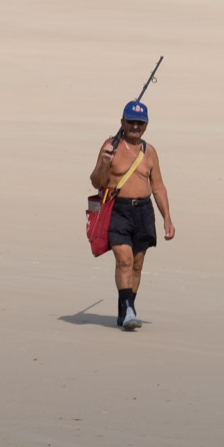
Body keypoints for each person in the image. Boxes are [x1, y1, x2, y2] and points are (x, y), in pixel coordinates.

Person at [90, 100, 174, 330]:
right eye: (131, 122)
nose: (135, 127)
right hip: (117, 210)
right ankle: (129, 309)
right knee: (124, 260)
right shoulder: (110, 146)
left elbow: (158, 186)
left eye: (140, 123)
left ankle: (126, 309)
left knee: (137, 263)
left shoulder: (150, 152)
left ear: (146, 125)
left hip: (143, 211)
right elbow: (96, 181)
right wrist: (105, 163)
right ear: (122, 122)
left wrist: (166, 217)